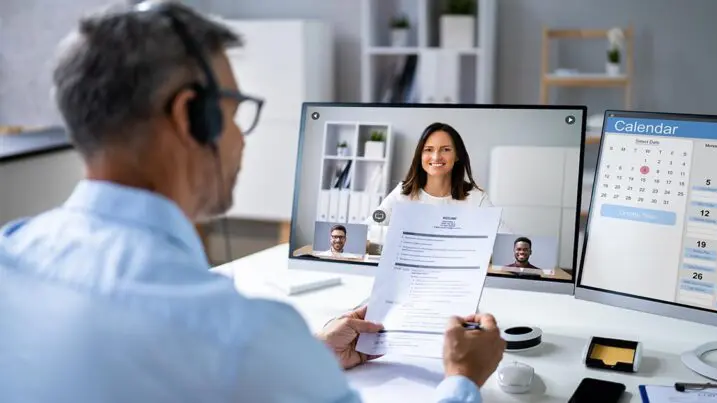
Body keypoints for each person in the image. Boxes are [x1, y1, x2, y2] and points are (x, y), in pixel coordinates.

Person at [0, 2, 505, 402]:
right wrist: (462, 379)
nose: (242, 137)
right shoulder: (241, 334)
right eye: (236, 109)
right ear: (191, 117)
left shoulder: (9, 253)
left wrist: (307, 358)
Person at [365, 122, 501, 247]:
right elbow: (366, 231)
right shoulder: (403, 192)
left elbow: (509, 243)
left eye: (445, 149)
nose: (436, 157)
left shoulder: (476, 198)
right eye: (428, 149)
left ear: (457, 155)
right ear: (420, 155)